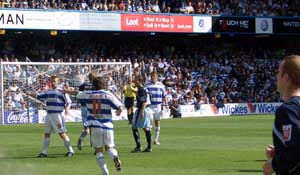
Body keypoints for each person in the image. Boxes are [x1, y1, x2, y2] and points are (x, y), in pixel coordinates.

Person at [76, 77, 122, 175]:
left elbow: (76, 94)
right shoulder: (108, 95)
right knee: (109, 148)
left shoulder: (88, 94)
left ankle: (105, 172)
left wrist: (65, 90)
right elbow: (120, 106)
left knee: (98, 151)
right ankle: (114, 156)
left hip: (95, 126)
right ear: (104, 85)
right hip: (108, 126)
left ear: (93, 85)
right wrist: (119, 111)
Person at [263, 55, 300, 175]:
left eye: (279, 73)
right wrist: (280, 151)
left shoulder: (287, 110)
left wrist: (272, 165)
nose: (276, 77)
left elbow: (295, 150)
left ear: (286, 77)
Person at [37, 75, 74, 158]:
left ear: (58, 82)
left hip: (57, 115)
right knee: (46, 134)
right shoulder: (48, 91)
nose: (53, 83)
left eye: (54, 81)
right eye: (51, 81)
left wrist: (67, 110)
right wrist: (30, 94)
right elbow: (39, 97)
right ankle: (44, 152)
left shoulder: (62, 92)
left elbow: (68, 102)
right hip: (48, 115)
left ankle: (70, 150)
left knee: (61, 133)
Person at [77, 71, 98, 150]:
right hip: (91, 108)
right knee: (93, 128)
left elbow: (79, 96)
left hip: (83, 107)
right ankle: (94, 146)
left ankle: (81, 138)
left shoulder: (83, 85)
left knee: (86, 128)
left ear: (88, 78)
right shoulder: (95, 86)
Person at [131, 75, 152, 152]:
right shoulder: (140, 89)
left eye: (135, 80)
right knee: (146, 128)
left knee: (134, 127)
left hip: (142, 109)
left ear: (139, 81)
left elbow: (144, 101)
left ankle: (138, 146)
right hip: (144, 109)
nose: (134, 82)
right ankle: (149, 147)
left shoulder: (141, 90)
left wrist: (142, 112)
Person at [145, 71, 166, 145]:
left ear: (157, 76)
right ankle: (149, 139)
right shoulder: (147, 85)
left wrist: (165, 105)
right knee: (149, 122)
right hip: (150, 106)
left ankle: (156, 139)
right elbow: (144, 95)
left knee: (157, 122)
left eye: (154, 76)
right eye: (151, 76)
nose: (152, 77)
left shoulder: (161, 85)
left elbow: (164, 95)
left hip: (158, 106)